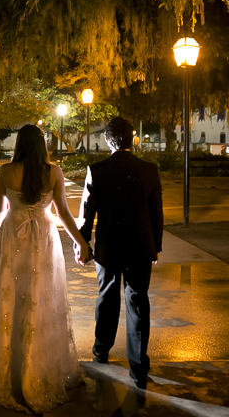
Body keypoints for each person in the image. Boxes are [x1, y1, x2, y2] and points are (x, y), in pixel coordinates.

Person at [0, 124, 91, 414]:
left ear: (19, 144)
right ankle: (35, 365)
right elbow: (63, 213)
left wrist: (12, 219)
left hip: (12, 236)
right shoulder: (53, 172)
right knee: (39, 297)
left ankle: (7, 363)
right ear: (42, 145)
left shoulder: (6, 172)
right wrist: (81, 242)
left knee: (9, 296)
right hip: (44, 238)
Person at [78, 116, 163, 389]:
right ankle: (138, 367)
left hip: (108, 245)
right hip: (140, 245)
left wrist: (83, 242)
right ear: (132, 138)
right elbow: (156, 214)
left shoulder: (97, 170)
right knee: (138, 301)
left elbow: (87, 213)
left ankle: (101, 350)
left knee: (107, 296)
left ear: (107, 139)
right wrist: (155, 246)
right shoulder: (149, 170)